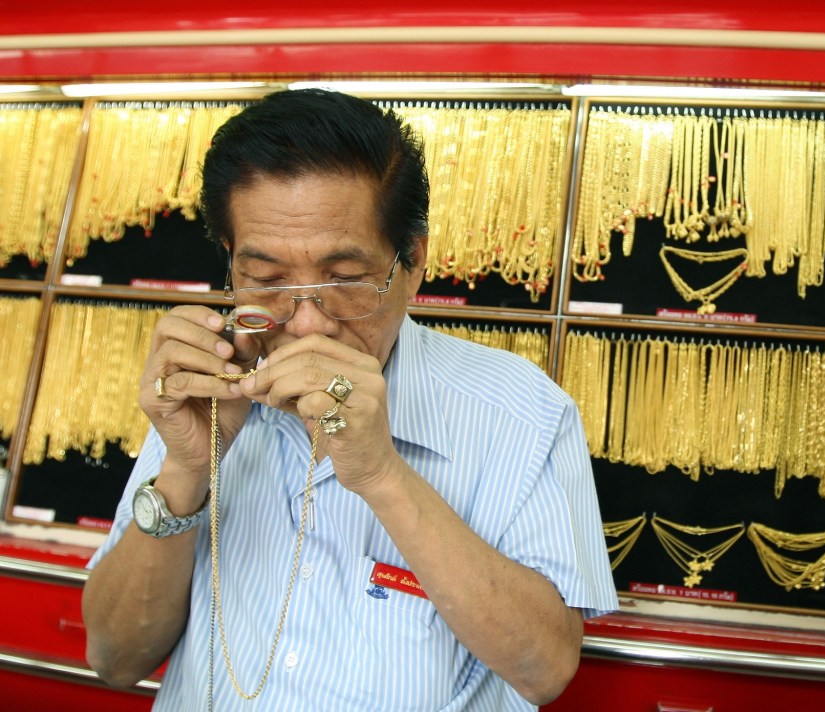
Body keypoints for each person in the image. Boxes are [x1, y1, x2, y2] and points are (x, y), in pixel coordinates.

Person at [82, 88, 618, 711]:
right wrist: (186, 467)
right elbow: (115, 658)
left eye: (345, 280)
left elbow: (545, 668)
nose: (307, 324)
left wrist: (381, 473)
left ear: (412, 260)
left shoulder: (522, 412)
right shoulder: (211, 390)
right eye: (266, 282)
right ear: (231, 266)